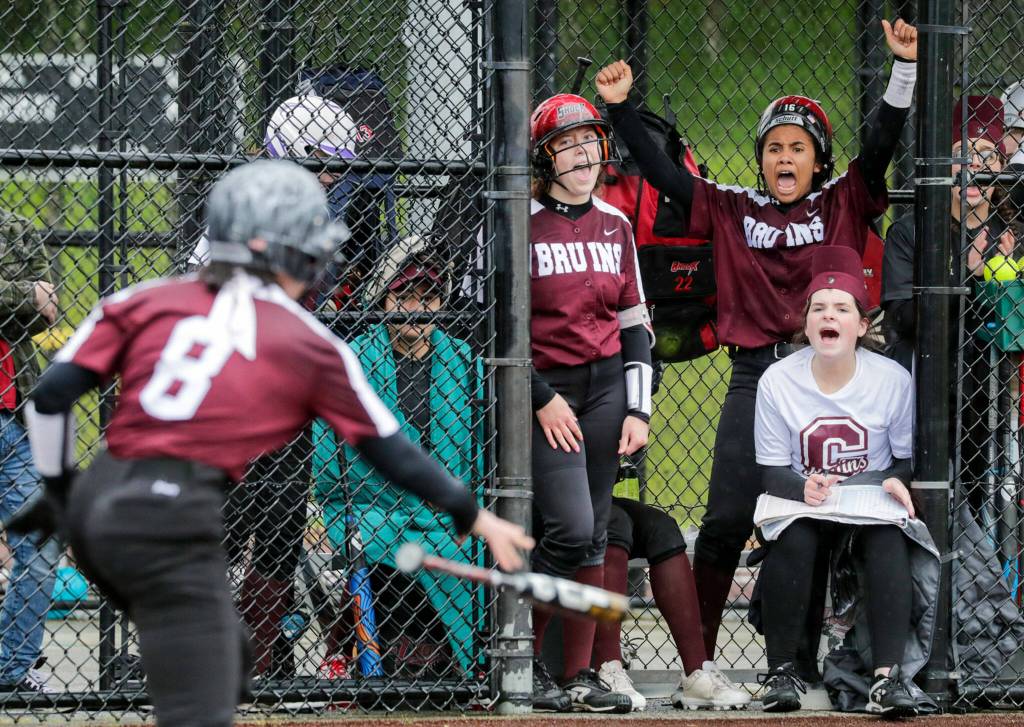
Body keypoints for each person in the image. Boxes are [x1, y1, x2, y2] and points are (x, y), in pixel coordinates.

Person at [6, 160, 532, 727]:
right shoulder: (302, 339)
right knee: (200, 703)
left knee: (227, 656)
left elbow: (49, 399)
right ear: (270, 247)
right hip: (171, 521)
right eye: (309, 250)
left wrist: (59, 490)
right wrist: (474, 516)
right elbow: (390, 450)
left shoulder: (144, 298)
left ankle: (188, 660)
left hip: (101, 509)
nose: (317, 265)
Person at [595, 18, 919, 668]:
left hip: (831, 380)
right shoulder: (734, 206)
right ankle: (703, 663)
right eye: (774, 147)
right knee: (723, 522)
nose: (785, 159)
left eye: (798, 148)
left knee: (813, 524)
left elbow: (881, 143)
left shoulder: (843, 199)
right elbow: (665, 177)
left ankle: (795, 665)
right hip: (758, 382)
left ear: (818, 158)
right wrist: (622, 109)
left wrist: (903, 70)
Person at [752, 244, 935, 719]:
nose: (828, 316)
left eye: (841, 308)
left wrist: (897, 481)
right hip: (808, 495)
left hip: (867, 495)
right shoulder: (777, 379)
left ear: (861, 324)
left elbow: (902, 459)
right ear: (806, 322)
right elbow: (772, 469)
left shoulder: (891, 379)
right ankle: (783, 671)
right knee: (794, 535)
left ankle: (886, 679)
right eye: (818, 308)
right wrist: (800, 488)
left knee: (887, 536)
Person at [527, 92, 653, 714]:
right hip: (547, 389)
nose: (581, 153)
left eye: (589, 141)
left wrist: (639, 408)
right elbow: (492, 329)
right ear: (543, 156)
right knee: (570, 527)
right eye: (565, 144)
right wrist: (541, 398)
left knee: (596, 535)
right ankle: (520, 659)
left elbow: (635, 326)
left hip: (606, 385)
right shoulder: (517, 221)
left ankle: (577, 677)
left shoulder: (616, 223)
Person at [312, 236, 484, 677]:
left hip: (446, 511)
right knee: (386, 544)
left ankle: (446, 665)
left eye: (428, 297)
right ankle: (395, 661)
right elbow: (334, 460)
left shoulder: (465, 362)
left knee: (459, 546)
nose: (416, 308)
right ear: (385, 299)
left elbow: (482, 453)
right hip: (372, 507)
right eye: (404, 295)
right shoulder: (356, 357)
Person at [881, 97, 1014, 514]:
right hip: (929, 384)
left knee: (985, 496)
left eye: (986, 155)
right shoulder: (912, 231)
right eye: (962, 155)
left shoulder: (1012, 233)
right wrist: (966, 277)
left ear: (1000, 167)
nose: (973, 167)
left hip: (994, 389)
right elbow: (904, 320)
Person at [591, 497, 750, 711]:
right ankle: (608, 667)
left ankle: (696, 674)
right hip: (548, 500)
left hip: (594, 493)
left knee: (663, 529)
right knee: (614, 522)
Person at [0, 209, 60, 694]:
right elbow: (32, 297)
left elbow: (48, 309)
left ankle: (10, 671)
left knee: (39, 551)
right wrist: (20, 293)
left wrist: (32, 299)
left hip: (14, 415)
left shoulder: (12, 224)